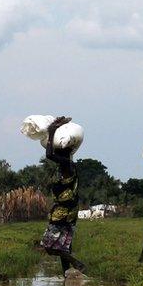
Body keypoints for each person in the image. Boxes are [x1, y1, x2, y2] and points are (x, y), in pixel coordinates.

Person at [41, 116, 87, 274]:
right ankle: (67, 275)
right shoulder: (68, 165)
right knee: (65, 245)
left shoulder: (66, 164)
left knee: (49, 246)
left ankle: (77, 264)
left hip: (63, 211)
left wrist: (52, 132)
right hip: (70, 210)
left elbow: (49, 154)